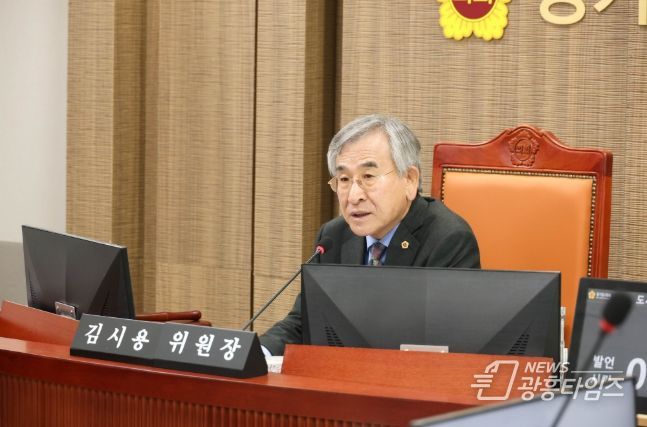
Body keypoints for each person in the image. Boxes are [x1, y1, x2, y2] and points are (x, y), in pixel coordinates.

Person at [259, 114, 480, 355]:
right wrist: (258, 353)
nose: (354, 196)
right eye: (344, 179)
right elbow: (303, 323)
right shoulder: (333, 237)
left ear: (409, 180)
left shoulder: (448, 239)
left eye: (368, 177)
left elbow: (447, 346)